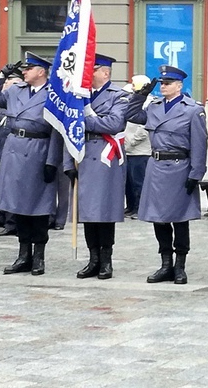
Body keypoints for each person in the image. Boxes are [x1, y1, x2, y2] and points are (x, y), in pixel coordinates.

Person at [126, 65, 207, 284]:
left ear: (179, 86)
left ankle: (180, 265)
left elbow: (200, 143)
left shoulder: (192, 109)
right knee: (158, 219)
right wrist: (140, 95)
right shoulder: (154, 107)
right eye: (162, 83)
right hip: (157, 166)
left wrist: (196, 173)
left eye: (168, 83)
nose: (163, 86)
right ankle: (165, 264)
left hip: (180, 167)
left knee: (180, 220)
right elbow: (131, 114)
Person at [0, 52, 63, 275]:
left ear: (41, 72)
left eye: (29, 69)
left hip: (38, 150)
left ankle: (38, 257)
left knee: (37, 210)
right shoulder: (14, 91)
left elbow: (57, 131)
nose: (24, 72)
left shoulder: (53, 94)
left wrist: (52, 161)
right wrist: (0, 76)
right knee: (18, 208)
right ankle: (23, 255)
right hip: (14, 150)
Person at [64, 54, 129, 280]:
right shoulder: (80, 96)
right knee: (87, 213)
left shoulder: (118, 96)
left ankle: (106, 260)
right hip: (82, 155)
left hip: (104, 156)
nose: (86, 75)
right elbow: (68, 128)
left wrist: (85, 119)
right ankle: (93, 259)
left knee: (104, 211)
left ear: (105, 73)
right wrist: (67, 161)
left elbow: (114, 123)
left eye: (91, 70)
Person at [0, 69, 23, 236]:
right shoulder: (7, 102)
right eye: (8, 83)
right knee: (5, 187)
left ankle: (13, 223)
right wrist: (0, 76)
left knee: (17, 189)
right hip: (6, 148)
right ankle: (5, 219)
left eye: (15, 83)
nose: (11, 86)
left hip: (22, 149)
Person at [124, 75, 152, 219]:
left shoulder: (148, 103)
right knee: (128, 183)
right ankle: (130, 206)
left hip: (140, 151)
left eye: (134, 85)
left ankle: (139, 208)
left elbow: (144, 129)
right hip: (128, 151)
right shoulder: (132, 101)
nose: (132, 87)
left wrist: (130, 143)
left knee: (138, 182)